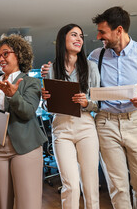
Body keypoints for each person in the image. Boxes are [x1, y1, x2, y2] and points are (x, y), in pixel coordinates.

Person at [88, 6, 137, 209]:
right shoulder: (95, 56)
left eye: (102, 32)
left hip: (134, 121)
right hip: (105, 122)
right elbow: (84, 85)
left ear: (118, 30)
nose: (98, 36)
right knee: (118, 186)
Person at [0, 34, 47, 209]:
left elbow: (27, 112)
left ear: (18, 54)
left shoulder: (31, 82)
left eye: (5, 54)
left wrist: (12, 95)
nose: (1, 58)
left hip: (25, 147)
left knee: (28, 203)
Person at [41, 24, 100, 208]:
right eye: (74, 35)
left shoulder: (91, 67)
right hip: (61, 128)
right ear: (62, 40)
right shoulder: (51, 69)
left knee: (90, 186)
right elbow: (46, 108)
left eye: (81, 36)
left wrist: (86, 102)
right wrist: (45, 100)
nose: (79, 39)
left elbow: (98, 104)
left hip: (86, 126)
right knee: (71, 186)